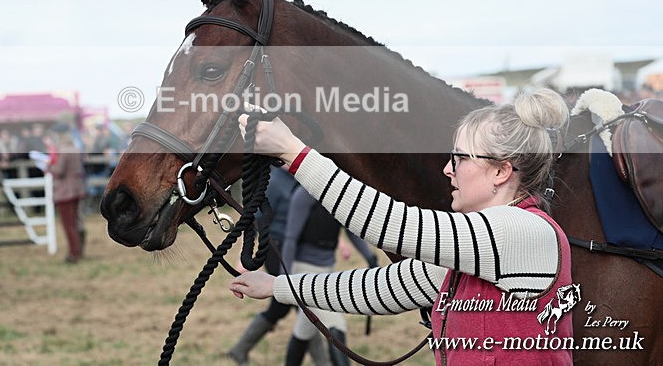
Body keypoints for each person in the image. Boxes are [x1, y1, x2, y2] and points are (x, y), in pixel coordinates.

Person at [230, 89, 574, 365]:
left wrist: (292, 151)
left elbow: (389, 223)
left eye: (460, 157)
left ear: (501, 171)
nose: (448, 169)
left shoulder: (523, 232)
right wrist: (277, 286)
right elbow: (381, 288)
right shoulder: (480, 247)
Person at [227, 166, 331, 366]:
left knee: (286, 306)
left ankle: (240, 349)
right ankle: (323, 362)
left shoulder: (301, 177)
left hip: (295, 249)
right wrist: (244, 255)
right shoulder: (273, 182)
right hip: (276, 250)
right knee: (302, 306)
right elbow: (254, 219)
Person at [280, 184, 377, 366]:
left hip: (327, 270)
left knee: (304, 329)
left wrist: (369, 256)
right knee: (336, 325)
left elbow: (350, 230)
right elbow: (291, 238)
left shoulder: (338, 194)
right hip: (304, 272)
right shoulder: (303, 194)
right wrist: (283, 278)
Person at [46, 123, 86, 263]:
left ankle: (73, 253)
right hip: (76, 188)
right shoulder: (74, 147)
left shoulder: (62, 150)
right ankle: (79, 250)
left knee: (68, 224)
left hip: (65, 191)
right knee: (76, 221)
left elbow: (59, 171)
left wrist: (48, 167)